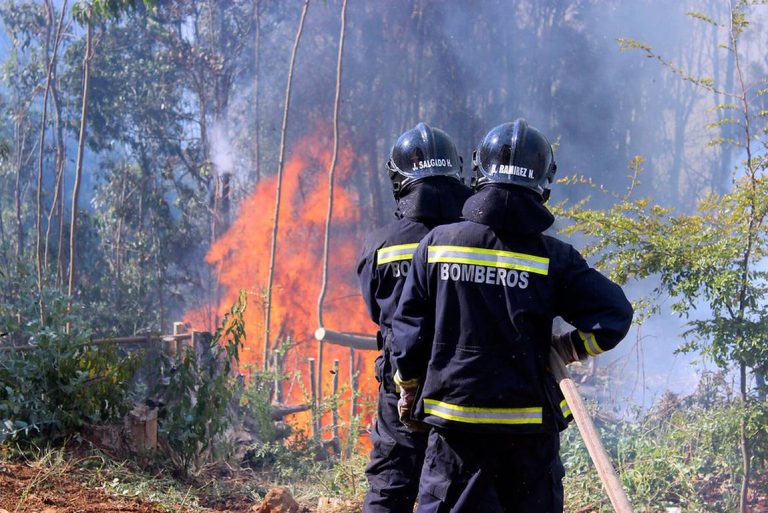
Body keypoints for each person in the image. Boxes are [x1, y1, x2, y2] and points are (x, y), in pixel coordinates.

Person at [390, 119, 633, 513]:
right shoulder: (553, 258)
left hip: (455, 434)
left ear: (479, 171)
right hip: (528, 435)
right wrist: (570, 347)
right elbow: (615, 315)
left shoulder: (437, 245)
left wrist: (409, 385)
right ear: (543, 182)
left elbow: (408, 331)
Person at [357, 122, 473, 513]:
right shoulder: (477, 238)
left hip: (402, 385)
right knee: (452, 491)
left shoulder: (381, 245)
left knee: (391, 484)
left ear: (400, 178)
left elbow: (377, 311)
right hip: (464, 384)